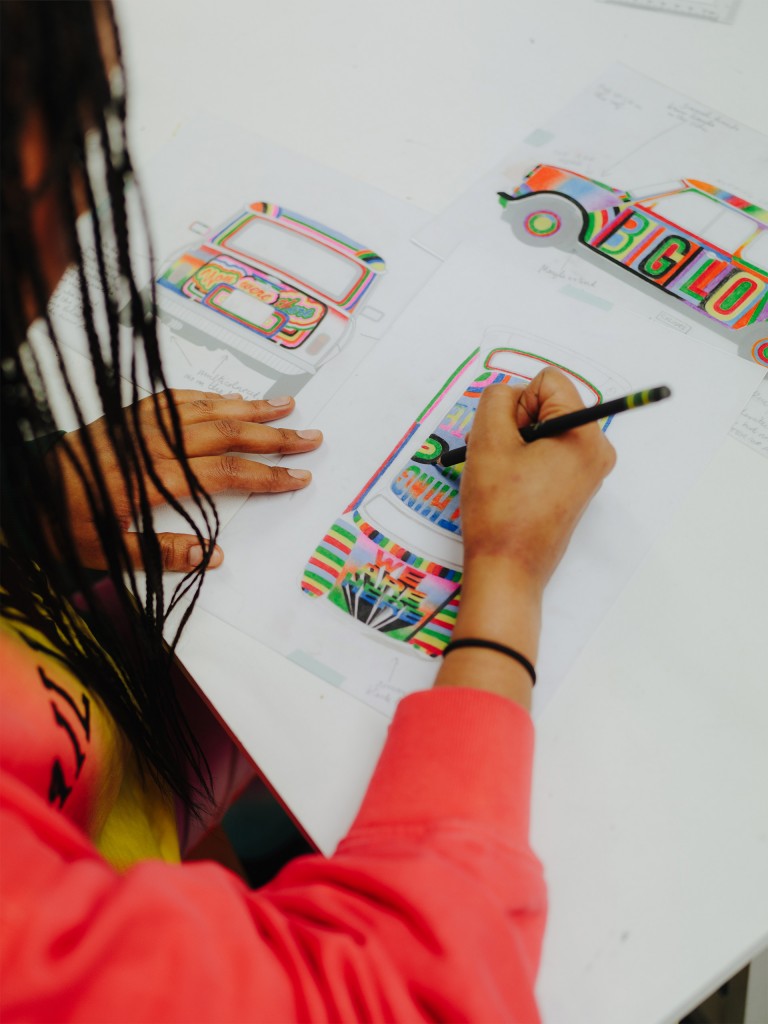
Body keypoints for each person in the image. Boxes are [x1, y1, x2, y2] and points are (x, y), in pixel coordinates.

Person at [0, 2, 616, 1021]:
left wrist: (21, 500)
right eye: (78, 139)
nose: (89, 204)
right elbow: (414, 994)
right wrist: (503, 579)